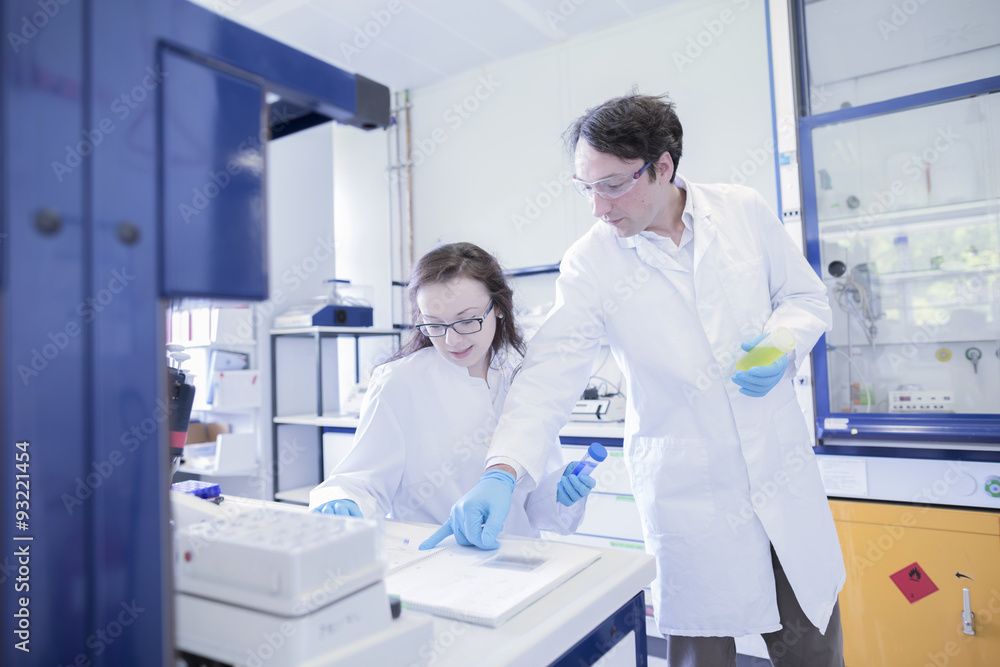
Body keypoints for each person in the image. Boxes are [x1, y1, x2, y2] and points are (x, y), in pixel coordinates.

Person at [421, 94, 846, 666]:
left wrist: (781, 341)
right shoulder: (592, 261)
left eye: (613, 185)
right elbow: (549, 374)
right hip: (691, 494)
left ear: (662, 166)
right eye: (585, 187)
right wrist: (502, 472)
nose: (598, 207)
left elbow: (803, 297)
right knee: (700, 652)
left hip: (779, 471)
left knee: (812, 648)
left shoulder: (741, 211)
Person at [308, 242, 594, 539]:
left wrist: (558, 492)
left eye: (467, 320)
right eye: (434, 324)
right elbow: (361, 482)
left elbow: (533, 507)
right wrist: (343, 501)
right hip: (435, 554)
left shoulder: (525, 381)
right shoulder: (399, 382)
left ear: (497, 307)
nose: (452, 340)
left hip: (516, 552)